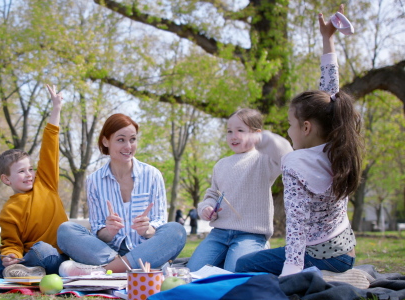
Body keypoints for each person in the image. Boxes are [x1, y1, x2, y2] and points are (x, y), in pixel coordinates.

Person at [235, 5, 362, 277]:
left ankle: (319, 275)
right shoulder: (338, 146)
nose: (288, 131)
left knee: (244, 265)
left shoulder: (295, 163)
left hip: (321, 257)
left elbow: (297, 225)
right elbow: (330, 96)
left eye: (291, 125)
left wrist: (291, 272)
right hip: (346, 252)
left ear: (306, 127)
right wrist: (328, 40)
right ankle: (328, 272)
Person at [56, 113, 186, 276]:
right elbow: (97, 229)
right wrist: (108, 231)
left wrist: (148, 230)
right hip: (108, 251)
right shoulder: (94, 180)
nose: (128, 146)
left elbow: (159, 222)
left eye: (132, 139)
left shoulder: (152, 175)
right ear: (105, 141)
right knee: (65, 230)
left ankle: (104, 271)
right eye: (120, 140)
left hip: (145, 249)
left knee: (176, 231)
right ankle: (128, 267)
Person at [186, 109, 292, 273]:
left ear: (256, 133)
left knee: (236, 275)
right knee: (193, 273)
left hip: (250, 234)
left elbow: (285, 153)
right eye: (229, 131)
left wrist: (262, 138)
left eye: (240, 130)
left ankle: (257, 249)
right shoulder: (221, 165)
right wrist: (206, 208)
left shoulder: (264, 160)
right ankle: (223, 262)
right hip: (219, 234)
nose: (233, 136)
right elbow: (212, 194)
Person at [0, 84, 68, 277]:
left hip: (59, 256)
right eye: (21, 171)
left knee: (46, 249)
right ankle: (17, 268)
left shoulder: (45, 183)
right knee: (7, 253)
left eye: (30, 169)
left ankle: (22, 271)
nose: (29, 174)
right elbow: (12, 243)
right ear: (6, 179)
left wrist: (56, 109)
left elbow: (50, 148)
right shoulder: (9, 211)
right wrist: (10, 255)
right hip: (34, 257)